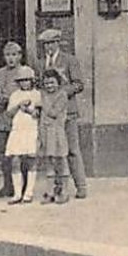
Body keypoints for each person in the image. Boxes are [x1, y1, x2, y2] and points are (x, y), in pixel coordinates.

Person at [36, 27, 89, 199]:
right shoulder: (39, 63)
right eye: (45, 44)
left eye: (51, 43)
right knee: (53, 151)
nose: (48, 47)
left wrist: (61, 94)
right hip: (49, 115)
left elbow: (79, 84)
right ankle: (58, 187)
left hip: (67, 113)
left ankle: (81, 186)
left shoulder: (69, 60)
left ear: (58, 42)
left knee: (72, 149)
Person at [0, 40, 26, 198]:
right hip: (1, 118)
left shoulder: (25, 72)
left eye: (14, 55)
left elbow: (29, 93)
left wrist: (11, 99)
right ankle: (7, 185)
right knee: (4, 155)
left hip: (18, 118)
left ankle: (23, 186)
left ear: (20, 56)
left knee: (20, 153)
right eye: (7, 55)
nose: (11, 58)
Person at [3, 66, 40, 204]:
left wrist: (29, 110)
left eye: (27, 80)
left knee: (31, 159)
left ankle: (28, 192)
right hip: (18, 129)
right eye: (21, 81)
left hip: (31, 129)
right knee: (15, 160)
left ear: (32, 81)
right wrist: (18, 105)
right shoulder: (15, 95)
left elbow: (39, 114)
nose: (24, 83)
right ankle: (17, 193)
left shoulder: (37, 94)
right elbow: (9, 113)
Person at [37, 68, 74, 203]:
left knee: (61, 161)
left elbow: (53, 113)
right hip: (46, 133)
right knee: (49, 163)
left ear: (58, 83)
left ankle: (64, 191)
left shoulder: (62, 95)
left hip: (57, 133)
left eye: (52, 83)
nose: (49, 86)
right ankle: (50, 191)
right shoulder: (43, 95)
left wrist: (43, 100)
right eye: (46, 83)